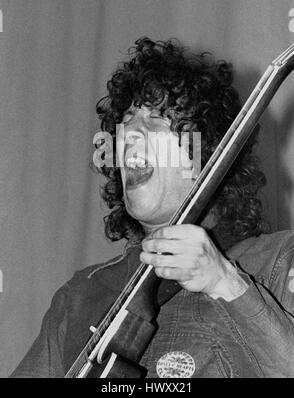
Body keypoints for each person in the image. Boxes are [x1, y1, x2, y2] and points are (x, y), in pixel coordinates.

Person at [11, 38, 294, 378]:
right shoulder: (83, 293)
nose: (130, 132)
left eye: (159, 120)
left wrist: (225, 283)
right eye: (127, 120)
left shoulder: (277, 261)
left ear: (208, 154)